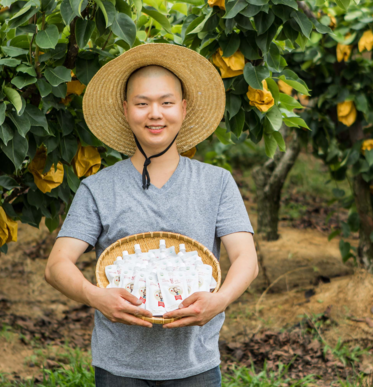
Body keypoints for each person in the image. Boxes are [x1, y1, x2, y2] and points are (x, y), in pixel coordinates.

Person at [44, 43, 258, 387]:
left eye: (167, 102)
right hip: (119, 369)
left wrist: (219, 301)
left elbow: (246, 257)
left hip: (196, 366)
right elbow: (56, 266)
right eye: (143, 104)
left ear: (184, 109)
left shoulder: (216, 182)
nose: (155, 113)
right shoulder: (98, 188)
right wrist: (96, 297)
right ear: (126, 109)